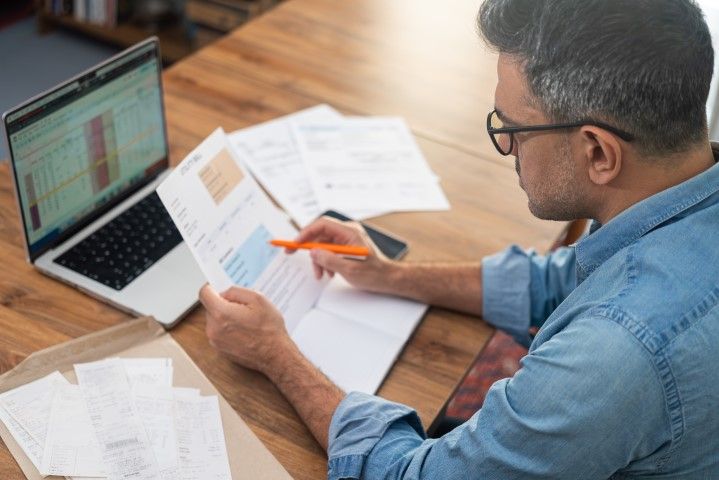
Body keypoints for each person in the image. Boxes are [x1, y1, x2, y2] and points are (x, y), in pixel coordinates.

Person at [198, 0, 719, 478]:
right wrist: (388, 274)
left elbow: (409, 474)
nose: (507, 145)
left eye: (514, 127)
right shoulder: (673, 193)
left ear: (600, 154)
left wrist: (275, 354)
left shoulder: (612, 354)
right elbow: (563, 282)